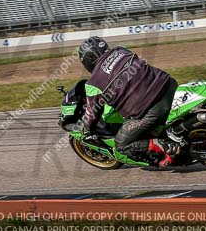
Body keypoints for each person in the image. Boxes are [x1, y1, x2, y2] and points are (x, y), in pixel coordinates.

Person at [76, 36, 180, 167]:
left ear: (88, 60)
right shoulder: (121, 50)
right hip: (170, 85)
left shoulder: (93, 83)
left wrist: (84, 130)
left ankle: (164, 146)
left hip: (153, 109)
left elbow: (92, 115)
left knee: (121, 145)